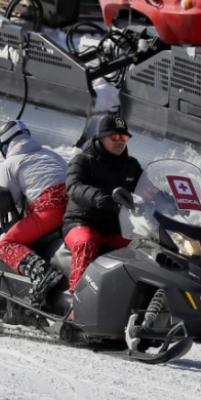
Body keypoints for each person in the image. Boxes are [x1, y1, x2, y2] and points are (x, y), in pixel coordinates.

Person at [0, 120, 69, 301]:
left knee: (6, 245)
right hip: (73, 208)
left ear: (5, 147)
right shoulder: (51, 154)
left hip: (50, 211)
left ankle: (42, 273)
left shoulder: (10, 163)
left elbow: (5, 200)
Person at [63, 115, 143, 294]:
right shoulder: (83, 160)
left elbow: (148, 188)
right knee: (86, 243)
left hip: (116, 228)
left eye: (124, 137)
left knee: (144, 248)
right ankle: (77, 304)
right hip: (82, 222)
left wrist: (168, 201)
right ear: (101, 138)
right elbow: (74, 186)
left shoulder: (131, 166)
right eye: (115, 137)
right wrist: (97, 197)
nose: (120, 142)